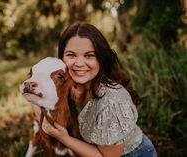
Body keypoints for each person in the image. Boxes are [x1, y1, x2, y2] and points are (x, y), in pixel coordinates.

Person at [38, 22, 157, 157]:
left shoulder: (111, 102)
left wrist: (64, 138)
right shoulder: (69, 85)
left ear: (100, 58)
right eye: (71, 55)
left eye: (89, 55)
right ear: (61, 58)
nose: (79, 63)